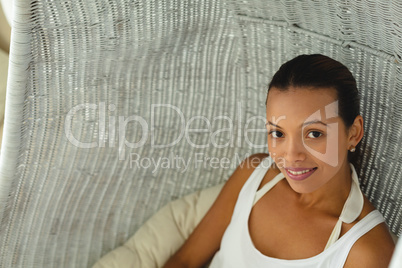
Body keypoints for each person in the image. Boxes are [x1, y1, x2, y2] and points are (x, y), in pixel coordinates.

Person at [163, 54, 395, 268]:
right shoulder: (254, 176)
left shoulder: (366, 251)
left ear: (353, 133)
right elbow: (185, 260)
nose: (291, 156)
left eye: (314, 133)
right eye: (278, 133)